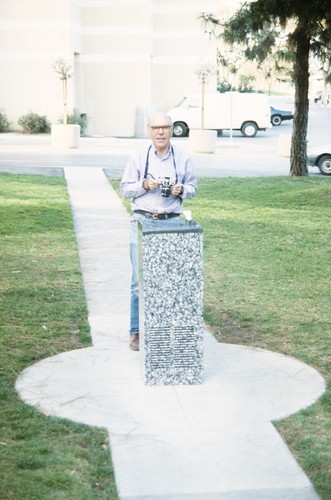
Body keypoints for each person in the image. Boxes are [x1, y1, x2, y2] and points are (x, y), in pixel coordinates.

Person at [120, 112, 197, 351]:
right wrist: (144, 184)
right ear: (149, 130)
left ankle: (169, 329)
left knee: (173, 279)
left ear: (172, 129)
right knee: (138, 281)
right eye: (156, 128)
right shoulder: (138, 156)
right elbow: (125, 189)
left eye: (165, 127)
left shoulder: (182, 157)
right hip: (143, 219)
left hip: (172, 221)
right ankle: (136, 331)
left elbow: (193, 188)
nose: (161, 132)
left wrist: (180, 189)